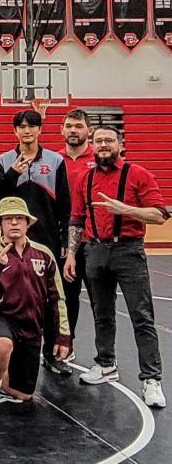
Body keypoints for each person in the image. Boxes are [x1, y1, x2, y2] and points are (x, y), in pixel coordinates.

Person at [65, 126, 169, 408]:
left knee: (141, 315)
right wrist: (72, 255)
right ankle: (105, 363)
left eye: (109, 140)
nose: (103, 145)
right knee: (102, 313)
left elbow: (160, 215)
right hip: (95, 250)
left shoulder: (138, 174)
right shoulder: (84, 178)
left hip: (128, 250)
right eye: (98, 141)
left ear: (120, 144)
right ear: (92, 144)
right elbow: (76, 219)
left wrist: (126, 210)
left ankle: (151, 378)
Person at [0, 197, 71, 413]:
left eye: (19, 219)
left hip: (30, 325)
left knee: (24, 394)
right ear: (0, 225)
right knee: (1, 345)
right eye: (8, 219)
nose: (14, 223)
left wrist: (62, 335)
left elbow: (57, 298)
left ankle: (3, 372)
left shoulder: (44, 254)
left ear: (28, 223)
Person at [0, 110, 71, 375]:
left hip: (46, 240)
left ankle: (53, 353)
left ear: (40, 130)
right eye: (21, 127)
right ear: (14, 131)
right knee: (12, 297)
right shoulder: (3, 161)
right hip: (12, 240)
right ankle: (13, 353)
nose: (27, 131)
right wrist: (12, 174)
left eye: (32, 126)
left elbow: (64, 204)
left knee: (50, 298)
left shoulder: (55, 160)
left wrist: (64, 240)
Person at [57, 109, 97, 360]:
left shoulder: (99, 159)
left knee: (100, 302)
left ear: (89, 130)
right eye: (69, 125)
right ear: (62, 130)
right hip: (64, 241)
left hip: (93, 241)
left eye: (79, 126)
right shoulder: (54, 159)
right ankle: (66, 346)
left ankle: (106, 357)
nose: (73, 130)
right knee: (66, 299)